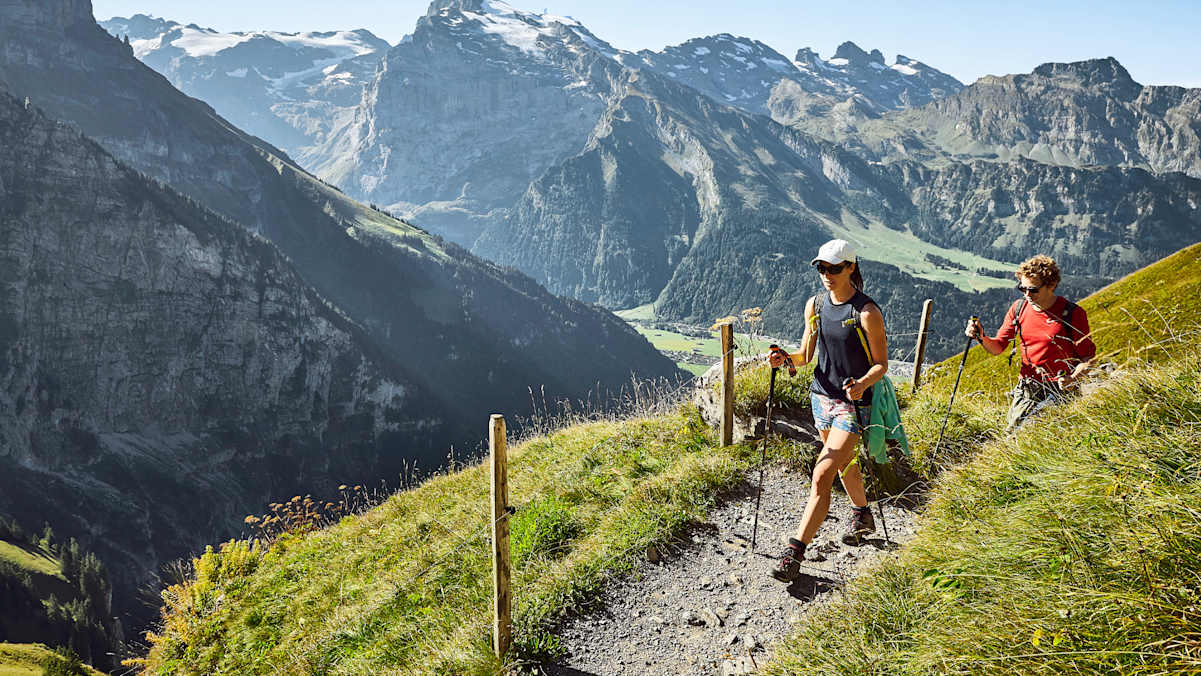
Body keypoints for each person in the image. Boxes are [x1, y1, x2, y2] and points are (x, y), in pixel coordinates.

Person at [767, 239, 888, 582]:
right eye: (822, 268)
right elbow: (806, 355)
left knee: (822, 473)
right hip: (821, 397)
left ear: (851, 267)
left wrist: (863, 383)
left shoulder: (866, 313)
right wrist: (784, 359)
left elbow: (881, 364)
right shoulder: (816, 304)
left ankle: (794, 553)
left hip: (852, 404)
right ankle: (863, 513)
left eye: (834, 268)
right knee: (844, 461)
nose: (827, 275)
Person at [965, 254, 1096, 429]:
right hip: (1027, 388)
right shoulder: (1019, 309)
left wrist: (1073, 378)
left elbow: (1089, 358)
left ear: (1051, 285)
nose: (1027, 294)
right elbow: (997, 348)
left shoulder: (1073, 314)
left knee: (1040, 437)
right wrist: (981, 337)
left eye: (1033, 290)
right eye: (1022, 288)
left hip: (1060, 390)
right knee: (1014, 437)